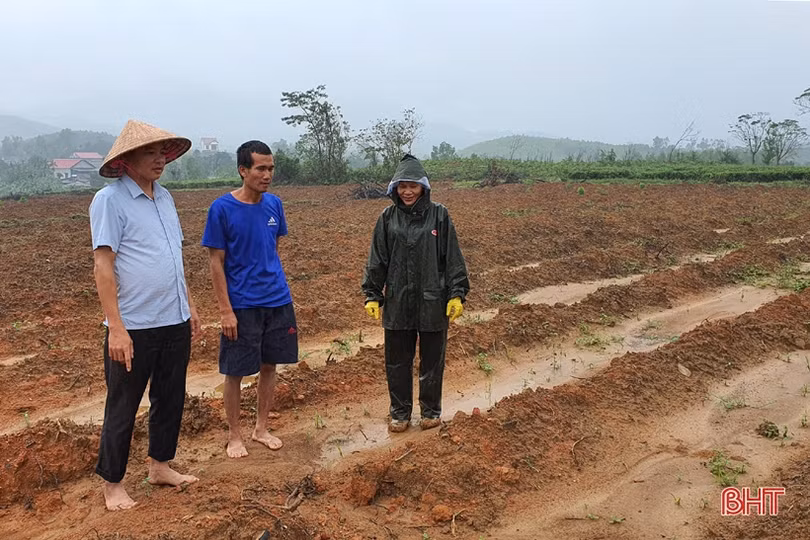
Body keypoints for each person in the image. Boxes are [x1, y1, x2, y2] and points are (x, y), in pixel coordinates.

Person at [89, 119, 201, 511]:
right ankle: (113, 483)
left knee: (170, 397)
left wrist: (189, 307)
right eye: (150, 153)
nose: (159, 160)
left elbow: (174, 257)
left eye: (162, 153)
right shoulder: (109, 201)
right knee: (123, 403)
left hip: (173, 319)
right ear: (127, 160)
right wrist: (116, 328)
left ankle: (160, 465)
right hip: (134, 326)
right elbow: (104, 266)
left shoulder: (166, 198)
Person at [201, 140, 298, 458]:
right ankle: (234, 435)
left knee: (270, 365)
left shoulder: (275, 205)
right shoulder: (222, 209)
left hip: (277, 300)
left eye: (270, 168)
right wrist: (225, 310)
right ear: (243, 170)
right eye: (260, 168)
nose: (267, 174)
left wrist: (276, 283)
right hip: (242, 305)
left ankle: (261, 428)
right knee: (236, 371)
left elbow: (272, 249)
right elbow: (216, 262)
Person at [362, 154, 470, 432]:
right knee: (397, 362)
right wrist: (373, 294)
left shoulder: (439, 215)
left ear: (424, 187)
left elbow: (452, 258)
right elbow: (378, 260)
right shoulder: (387, 218)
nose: (407, 192)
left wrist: (456, 294)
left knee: (432, 361)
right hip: (398, 302)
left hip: (433, 300)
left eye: (413, 186)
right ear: (394, 188)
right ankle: (399, 413)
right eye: (402, 186)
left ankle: (431, 412)